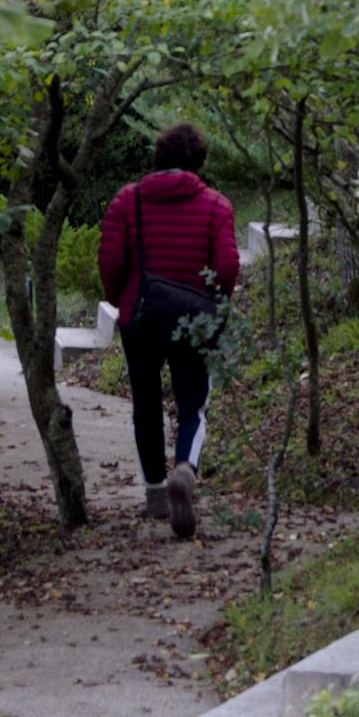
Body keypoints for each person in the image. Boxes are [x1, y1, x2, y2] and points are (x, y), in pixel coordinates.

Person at [97, 123, 240, 540]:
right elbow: (228, 266)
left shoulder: (129, 200)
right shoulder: (216, 206)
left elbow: (110, 258)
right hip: (193, 318)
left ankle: (156, 495)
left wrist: (121, 299)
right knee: (193, 402)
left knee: (146, 402)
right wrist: (214, 303)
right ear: (199, 162)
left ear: (157, 157)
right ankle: (184, 469)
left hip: (141, 317)